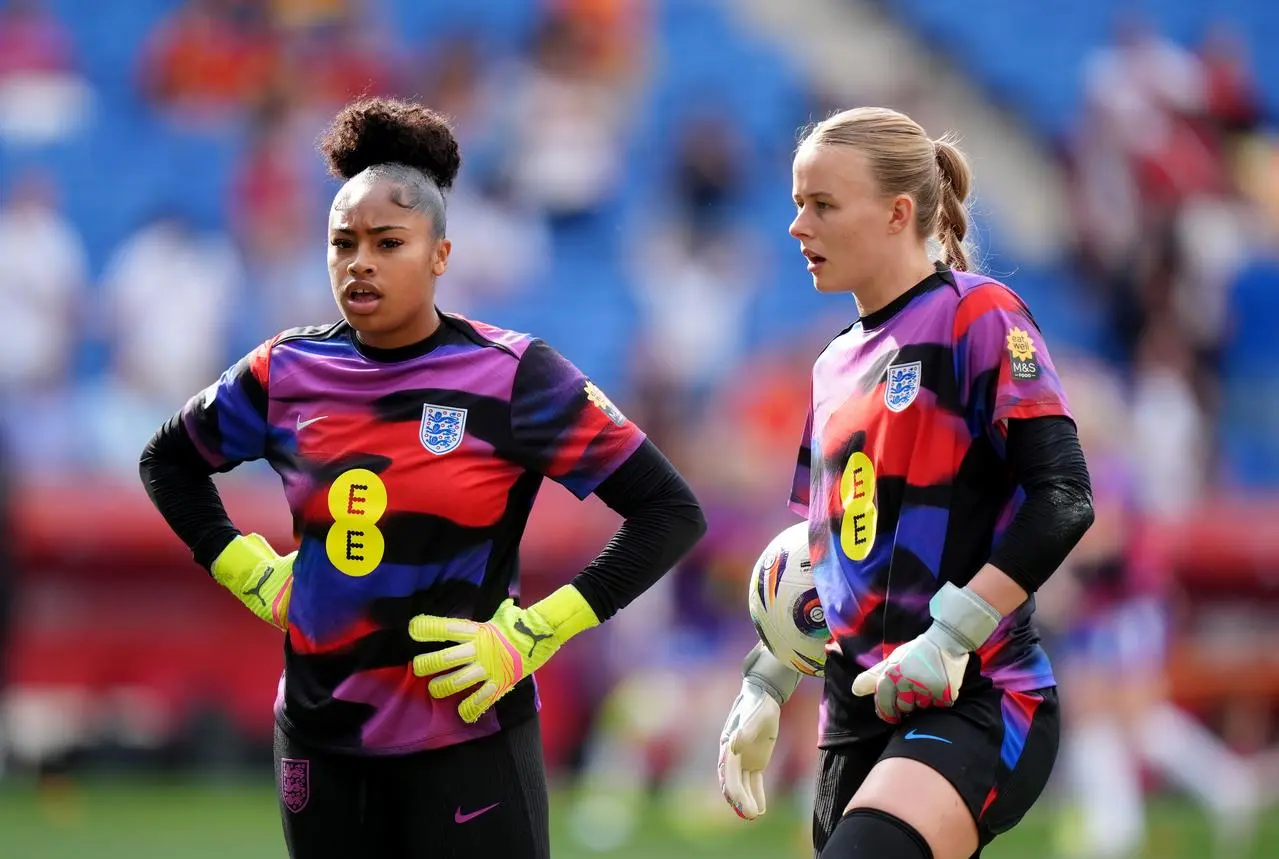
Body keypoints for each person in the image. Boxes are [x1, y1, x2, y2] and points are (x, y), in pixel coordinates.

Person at [138, 97, 706, 859]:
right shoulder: (286, 370)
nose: (359, 262)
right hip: (318, 736)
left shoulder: (514, 376)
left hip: (465, 732)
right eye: (342, 242)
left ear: (440, 255)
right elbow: (167, 460)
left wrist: (537, 631)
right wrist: (247, 570)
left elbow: (668, 510)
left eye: (388, 242)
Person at [717, 106, 1096, 859]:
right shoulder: (831, 364)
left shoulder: (977, 315)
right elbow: (828, 555)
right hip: (853, 713)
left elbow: (1064, 498)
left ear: (897, 214)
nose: (797, 225)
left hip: (976, 694)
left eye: (822, 204)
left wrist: (950, 636)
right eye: (797, 202)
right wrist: (767, 678)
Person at [1039, 362, 1258, 859]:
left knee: (1131, 716)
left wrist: (1052, 573)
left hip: (1126, 609)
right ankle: (1121, 821)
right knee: (1097, 715)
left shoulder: (1110, 471)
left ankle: (1213, 789)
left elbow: (1105, 544)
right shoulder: (1083, 471)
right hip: (1100, 610)